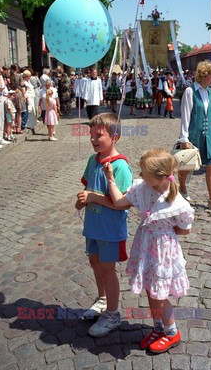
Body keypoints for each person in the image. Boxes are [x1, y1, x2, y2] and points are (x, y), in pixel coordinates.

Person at [101, 147, 194, 353]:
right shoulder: (141, 188)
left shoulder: (177, 203)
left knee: (160, 295)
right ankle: (158, 327)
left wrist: (163, 232)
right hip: (145, 244)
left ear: (160, 177)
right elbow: (119, 201)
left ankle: (172, 332)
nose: (141, 174)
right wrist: (111, 179)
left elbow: (184, 229)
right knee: (151, 291)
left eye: (145, 172)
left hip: (163, 251)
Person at [75, 113, 132, 337]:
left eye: (99, 135)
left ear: (114, 137)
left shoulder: (120, 167)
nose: (93, 139)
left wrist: (93, 198)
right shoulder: (93, 160)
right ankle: (102, 299)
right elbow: (86, 188)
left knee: (108, 270)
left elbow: (122, 204)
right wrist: (81, 201)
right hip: (93, 226)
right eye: (91, 135)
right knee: (95, 263)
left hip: (110, 230)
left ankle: (113, 314)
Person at [178, 60, 211, 213]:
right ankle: (182, 186)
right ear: (203, 75)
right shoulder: (190, 91)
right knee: (188, 165)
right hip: (194, 134)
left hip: (210, 134)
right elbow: (185, 116)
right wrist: (184, 138)